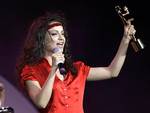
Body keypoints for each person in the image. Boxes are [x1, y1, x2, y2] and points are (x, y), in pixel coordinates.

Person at [16, 10, 136, 113]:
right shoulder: (31, 70)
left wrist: (125, 40)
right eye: (54, 34)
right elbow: (41, 102)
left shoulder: (76, 69)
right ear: (42, 40)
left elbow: (111, 71)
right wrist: (53, 70)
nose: (61, 38)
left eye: (62, 34)